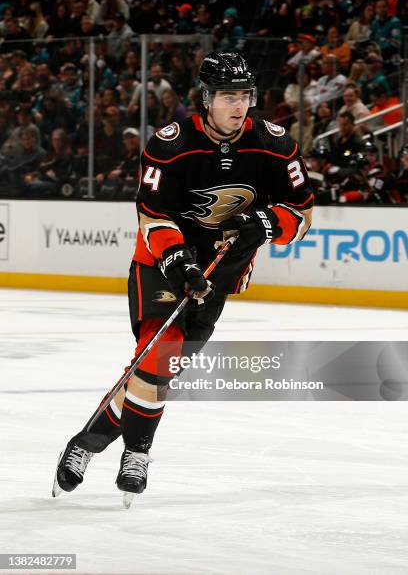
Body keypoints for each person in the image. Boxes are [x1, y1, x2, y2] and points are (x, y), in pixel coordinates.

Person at [52, 51, 313, 501]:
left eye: (245, 95)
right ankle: (138, 452)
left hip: (222, 270)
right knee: (162, 349)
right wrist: (179, 261)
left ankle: (84, 443)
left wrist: (267, 224)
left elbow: (303, 214)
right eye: (228, 96)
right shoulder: (170, 144)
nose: (238, 105)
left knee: (157, 370)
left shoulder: (275, 144)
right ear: (207, 98)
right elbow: (153, 217)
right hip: (161, 262)